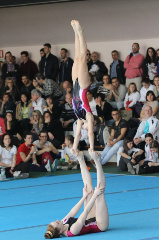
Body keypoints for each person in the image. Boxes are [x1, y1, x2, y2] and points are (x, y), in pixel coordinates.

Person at [44, 151, 109, 238]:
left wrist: (84, 196)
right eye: (56, 223)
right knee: (100, 192)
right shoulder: (73, 230)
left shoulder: (62, 223)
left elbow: (72, 212)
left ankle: (80, 159)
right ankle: (97, 161)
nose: (57, 220)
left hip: (90, 218)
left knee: (88, 188)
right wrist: (95, 195)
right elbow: (85, 212)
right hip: (100, 225)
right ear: (60, 231)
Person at [71, 20, 96, 152]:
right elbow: (90, 134)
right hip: (82, 86)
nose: (89, 129)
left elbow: (77, 135)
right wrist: (91, 148)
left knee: (76, 58)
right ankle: (81, 32)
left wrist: (74, 147)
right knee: (82, 59)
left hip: (75, 86)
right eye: (91, 126)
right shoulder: (88, 117)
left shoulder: (80, 119)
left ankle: (75, 33)